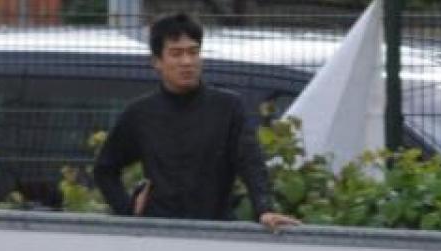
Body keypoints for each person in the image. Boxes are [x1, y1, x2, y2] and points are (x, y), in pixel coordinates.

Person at [92, 12, 299, 230]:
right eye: (176, 54)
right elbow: (105, 169)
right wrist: (127, 211)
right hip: (157, 232)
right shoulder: (140, 113)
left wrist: (264, 209)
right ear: (157, 62)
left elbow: (251, 162)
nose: (187, 62)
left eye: (193, 52)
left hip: (216, 230)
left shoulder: (228, 108)